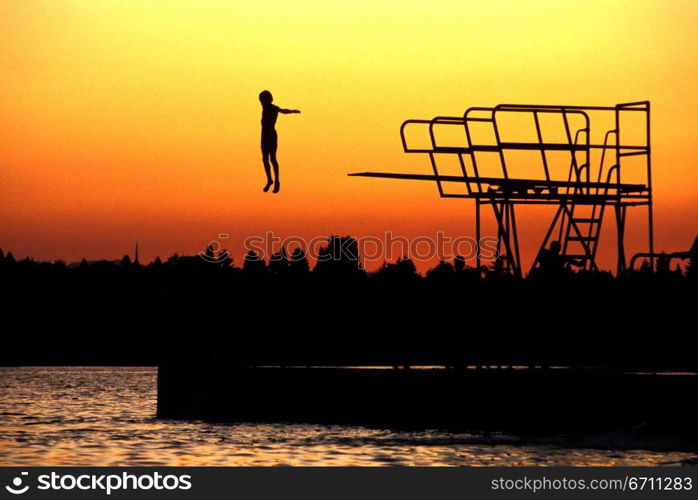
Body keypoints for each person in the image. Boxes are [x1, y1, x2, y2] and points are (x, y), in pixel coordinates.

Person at [259, 90, 300, 193]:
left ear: (267, 99)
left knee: (272, 158)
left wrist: (293, 111)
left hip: (271, 135)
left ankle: (277, 181)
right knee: (264, 159)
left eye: (262, 100)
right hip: (264, 136)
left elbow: (283, 111)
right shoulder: (264, 108)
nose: (261, 102)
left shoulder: (273, 108)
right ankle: (269, 180)